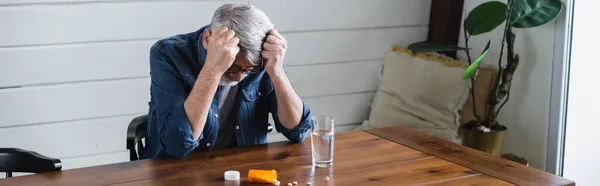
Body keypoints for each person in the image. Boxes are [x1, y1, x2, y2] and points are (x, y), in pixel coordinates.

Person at [144, 4, 313, 159]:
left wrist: (277, 72)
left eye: (248, 70)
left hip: (242, 166)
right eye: (232, 67)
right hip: (177, 169)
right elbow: (178, 144)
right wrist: (213, 68)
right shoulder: (167, 54)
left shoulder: (265, 58)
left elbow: (297, 131)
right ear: (207, 40)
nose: (239, 77)